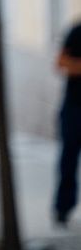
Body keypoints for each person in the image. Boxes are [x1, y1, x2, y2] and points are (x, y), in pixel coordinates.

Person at [55, 20, 81, 225]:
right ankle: (63, 207)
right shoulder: (76, 31)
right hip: (74, 107)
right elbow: (61, 62)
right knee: (68, 158)